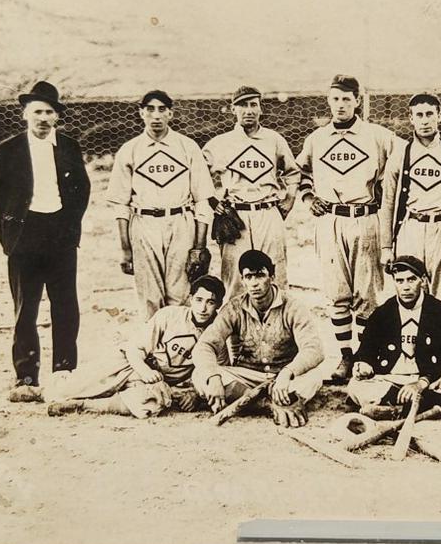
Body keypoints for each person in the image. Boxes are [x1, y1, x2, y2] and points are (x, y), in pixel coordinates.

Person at [0, 81, 90, 403]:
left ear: (57, 116)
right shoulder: (9, 150)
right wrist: (10, 236)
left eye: (49, 112)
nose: (43, 118)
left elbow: (82, 190)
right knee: (26, 308)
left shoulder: (69, 147)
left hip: (60, 235)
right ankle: (26, 378)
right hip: (24, 238)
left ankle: (64, 372)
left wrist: (69, 226)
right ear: (25, 114)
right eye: (37, 112)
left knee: (65, 306)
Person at [295, 74, 398, 383]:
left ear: (357, 101)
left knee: (366, 294)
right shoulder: (317, 139)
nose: (340, 105)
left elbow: (404, 161)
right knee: (337, 293)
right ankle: (345, 356)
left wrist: (386, 190)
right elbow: (299, 172)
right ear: (328, 101)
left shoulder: (377, 136)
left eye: (346, 99)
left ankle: (366, 356)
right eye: (335, 99)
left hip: (366, 218)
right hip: (330, 220)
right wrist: (308, 197)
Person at [46, 276, 226, 418]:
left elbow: (215, 373)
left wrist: (195, 394)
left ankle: (83, 406)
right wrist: (145, 371)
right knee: (66, 389)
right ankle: (37, 391)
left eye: (210, 302)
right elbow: (135, 349)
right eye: (199, 300)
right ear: (191, 299)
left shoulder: (218, 333)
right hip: (131, 364)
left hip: (158, 381)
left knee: (149, 404)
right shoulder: (170, 315)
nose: (203, 308)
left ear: (218, 304)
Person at [107, 90, 215, 318]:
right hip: (143, 224)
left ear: (170, 113)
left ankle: (180, 340)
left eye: (162, 109)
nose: (156, 115)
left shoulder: (187, 146)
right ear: (141, 113)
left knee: (181, 294)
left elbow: (202, 201)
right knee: (150, 297)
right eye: (150, 109)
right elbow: (121, 205)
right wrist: (125, 249)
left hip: (180, 222)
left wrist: (199, 246)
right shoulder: (130, 150)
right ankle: (154, 340)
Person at [191, 250, 325, 427]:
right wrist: (214, 377)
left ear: (272, 277)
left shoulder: (293, 306)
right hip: (247, 377)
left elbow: (314, 349)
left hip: (283, 376)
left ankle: (252, 401)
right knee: (200, 375)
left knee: (314, 376)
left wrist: (287, 373)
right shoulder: (234, 308)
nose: (254, 283)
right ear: (242, 280)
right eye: (248, 277)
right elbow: (205, 345)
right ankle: (269, 404)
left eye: (260, 275)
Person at [380, 93, 441, 322]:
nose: (424, 120)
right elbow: (388, 203)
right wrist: (386, 247)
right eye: (419, 115)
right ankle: (412, 345)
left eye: (429, 114)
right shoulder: (400, 155)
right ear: (411, 118)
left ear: (439, 116)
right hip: (410, 228)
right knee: (409, 294)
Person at [347, 256, 441, 420]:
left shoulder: (439, 311)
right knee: (354, 385)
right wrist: (364, 365)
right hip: (391, 380)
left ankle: (397, 408)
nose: (406, 287)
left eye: (411, 279)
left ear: (423, 280)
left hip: (429, 380)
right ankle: (432, 406)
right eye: (399, 281)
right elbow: (366, 350)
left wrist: (422, 383)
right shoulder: (383, 313)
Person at [202, 86, 300, 297]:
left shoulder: (274, 140)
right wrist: (212, 201)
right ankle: (237, 319)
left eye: (253, 105)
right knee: (235, 281)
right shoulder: (221, 143)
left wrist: (290, 197)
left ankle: (276, 318)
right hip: (236, 216)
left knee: (275, 275)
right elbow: (198, 175)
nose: (248, 110)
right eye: (242, 105)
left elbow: (292, 172)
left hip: (268, 211)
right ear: (233, 109)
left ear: (260, 108)